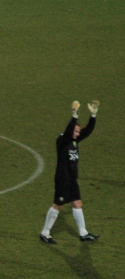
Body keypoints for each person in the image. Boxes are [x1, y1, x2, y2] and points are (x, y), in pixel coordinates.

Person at [40, 101, 100, 244]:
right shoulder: (62, 141)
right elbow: (68, 130)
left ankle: (83, 233)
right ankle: (45, 232)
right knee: (58, 205)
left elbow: (88, 130)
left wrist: (93, 115)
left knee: (77, 203)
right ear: (71, 130)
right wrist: (74, 116)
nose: (78, 134)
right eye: (76, 131)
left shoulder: (74, 141)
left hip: (72, 179)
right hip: (63, 179)